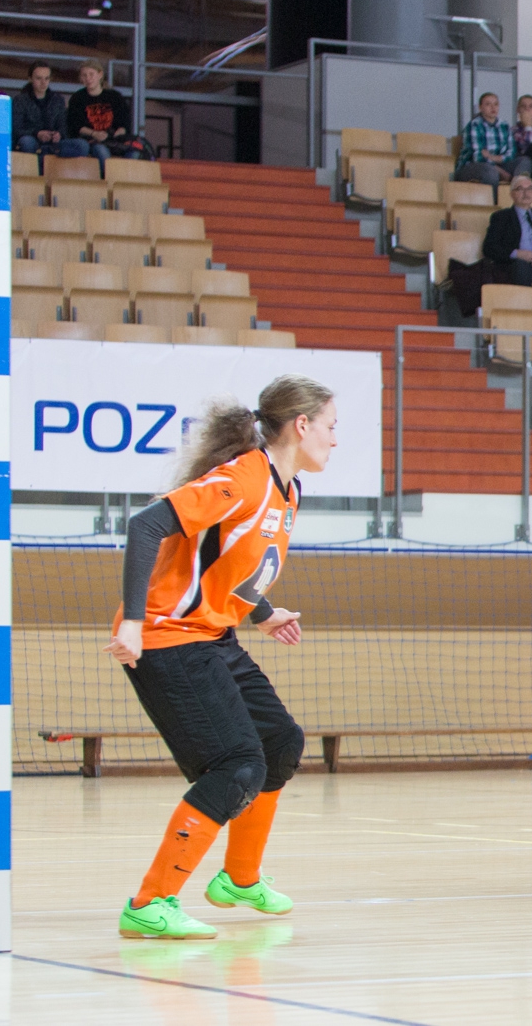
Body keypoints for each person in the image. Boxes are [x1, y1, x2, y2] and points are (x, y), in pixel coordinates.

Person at [106, 376, 336, 939]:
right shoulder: (242, 478)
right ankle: (150, 903)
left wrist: (263, 613)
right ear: (301, 425)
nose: (335, 439)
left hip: (212, 635)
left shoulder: (289, 490)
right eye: (331, 427)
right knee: (236, 766)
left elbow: (230, 564)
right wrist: (133, 621)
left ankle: (239, 878)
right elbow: (145, 525)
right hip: (167, 637)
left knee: (280, 742)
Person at [14, 60, 86, 165]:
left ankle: (43, 156)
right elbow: (16, 128)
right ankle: (44, 161)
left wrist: (58, 134)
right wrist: (37, 134)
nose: (43, 82)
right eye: (39, 78)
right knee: (27, 142)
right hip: (33, 140)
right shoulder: (20, 100)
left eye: (46, 78)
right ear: (30, 79)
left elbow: (63, 126)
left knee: (82, 145)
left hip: (53, 143)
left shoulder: (58, 100)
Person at [66, 59, 131, 170]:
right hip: (91, 141)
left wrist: (120, 131)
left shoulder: (115, 97)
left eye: (91, 74)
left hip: (114, 140)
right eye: (84, 75)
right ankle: (108, 178)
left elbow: (125, 122)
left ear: (100, 75)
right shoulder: (77, 98)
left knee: (133, 152)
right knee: (101, 150)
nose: (88, 78)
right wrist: (94, 133)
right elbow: (75, 125)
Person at [455, 92, 515, 188]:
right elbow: (478, 157)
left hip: (498, 163)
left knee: (524, 161)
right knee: (490, 171)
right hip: (471, 167)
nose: (493, 107)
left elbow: (511, 153)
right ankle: (493, 198)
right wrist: (501, 172)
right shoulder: (475, 125)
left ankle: (519, 191)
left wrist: (492, 157)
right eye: (488, 104)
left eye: (496, 104)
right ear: (480, 107)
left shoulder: (505, 125)